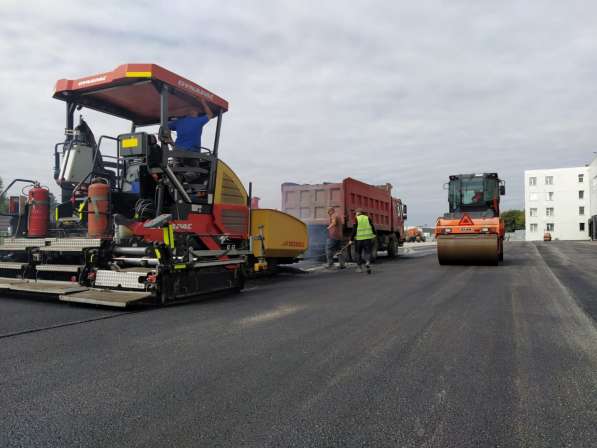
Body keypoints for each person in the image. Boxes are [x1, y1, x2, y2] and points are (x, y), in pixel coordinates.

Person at [350, 209, 376, 274]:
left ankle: (359, 268)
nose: (355, 214)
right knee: (367, 252)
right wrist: (374, 234)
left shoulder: (356, 219)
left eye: (356, 213)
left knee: (358, 253)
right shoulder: (368, 218)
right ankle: (367, 262)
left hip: (359, 239)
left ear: (359, 213)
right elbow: (372, 227)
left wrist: (351, 239)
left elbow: (354, 230)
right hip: (367, 238)